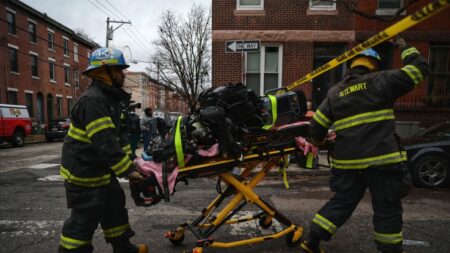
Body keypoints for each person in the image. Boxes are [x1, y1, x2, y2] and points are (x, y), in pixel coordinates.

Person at [301, 36, 429, 253]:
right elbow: (419, 68)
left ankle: (312, 241)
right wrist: (404, 47)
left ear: (350, 66)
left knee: (341, 202)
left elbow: (316, 127)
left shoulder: (335, 93)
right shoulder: (383, 81)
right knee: (387, 208)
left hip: (348, 164)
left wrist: (319, 142)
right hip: (383, 162)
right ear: (374, 65)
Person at [58, 47, 148, 253]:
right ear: (103, 72)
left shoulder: (111, 100)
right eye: (119, 70)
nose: (123, 74)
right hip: (83, 175)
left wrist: (132, 162)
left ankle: (123, 248)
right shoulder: (94, 102)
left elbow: (120, 138)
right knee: (83, 220)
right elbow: (105, 143)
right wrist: (129, 172)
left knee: (114, 209)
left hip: (101, 173)